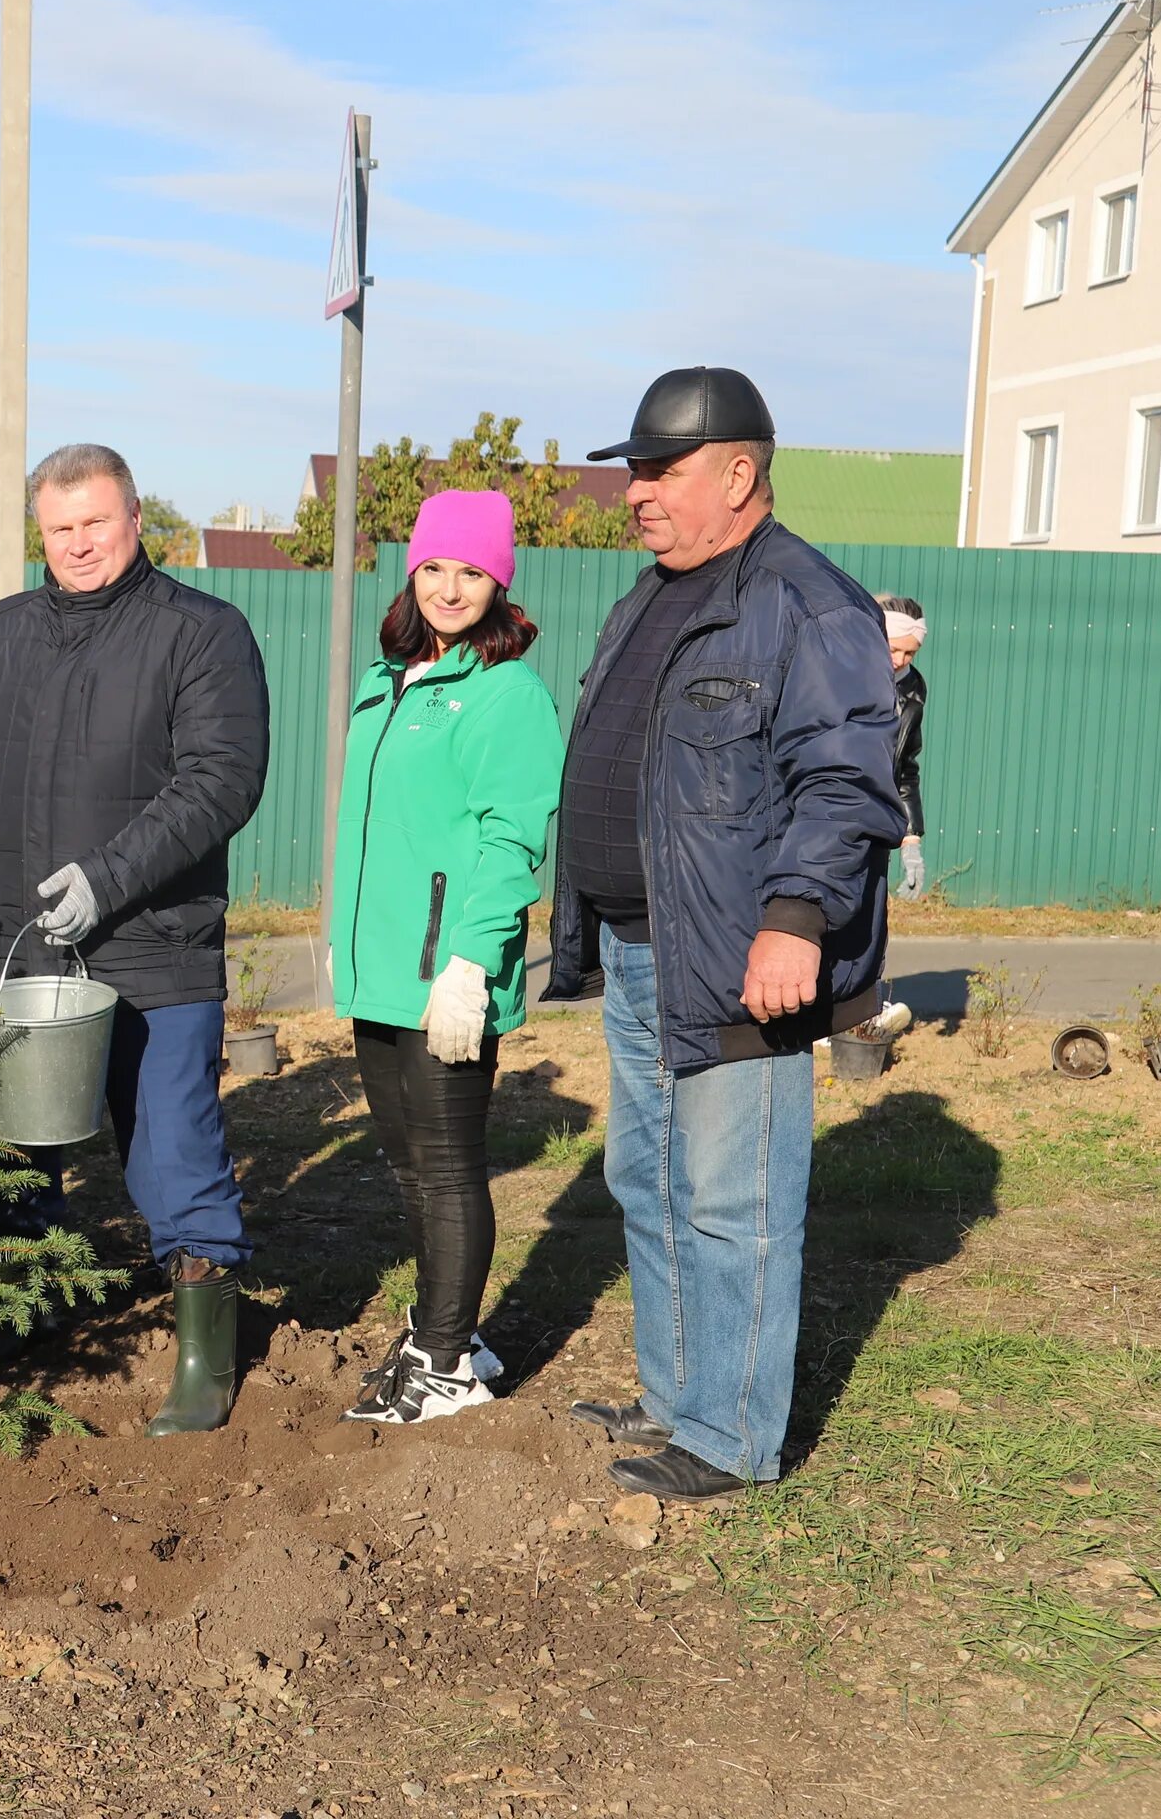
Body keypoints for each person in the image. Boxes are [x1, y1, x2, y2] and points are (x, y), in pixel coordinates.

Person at [548, 367, 902, 1502]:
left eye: (661, 470)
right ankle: (675, 1395)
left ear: (739, 472)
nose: (637, 492)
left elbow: (844, 782)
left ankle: (732, 1437)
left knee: (734, 1197)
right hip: (639, 950)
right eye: (636, 470)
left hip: (740, 956)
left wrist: (795, 923)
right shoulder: (651, 595)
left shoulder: (807, 603)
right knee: (647, 1179)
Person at [0, 443, 271, 1435]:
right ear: (42, 532)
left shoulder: (202, 633)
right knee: (15, 1149)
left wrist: (109, 878)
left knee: (173, 1146)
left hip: (153, 947)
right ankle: (14, 1306)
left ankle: (204, 1351)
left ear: (135, 519)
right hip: (19, 953)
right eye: (60, 528)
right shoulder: (2, 634)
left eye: (96, 523)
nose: (78, 543)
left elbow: (220, 778)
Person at [325, 491, 562, 1426]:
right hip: (378, 972)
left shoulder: (506, 692)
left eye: (471, 571)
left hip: (444, 978)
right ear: (412, 572)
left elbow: (511, 840)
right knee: (408, 1167)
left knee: (450, 1167)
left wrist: (471, 963)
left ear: (498, 581)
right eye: (434, 568)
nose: (450, 588)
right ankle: (442, 1330)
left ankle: (447, 1363)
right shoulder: (391, 679)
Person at [879, 596, 929, 900]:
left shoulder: (913, 689)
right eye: (894, 648)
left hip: (874, 821)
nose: (900, 660)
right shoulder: (840, 670)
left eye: (910, 653)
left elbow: (905, 767)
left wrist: (911, 840)